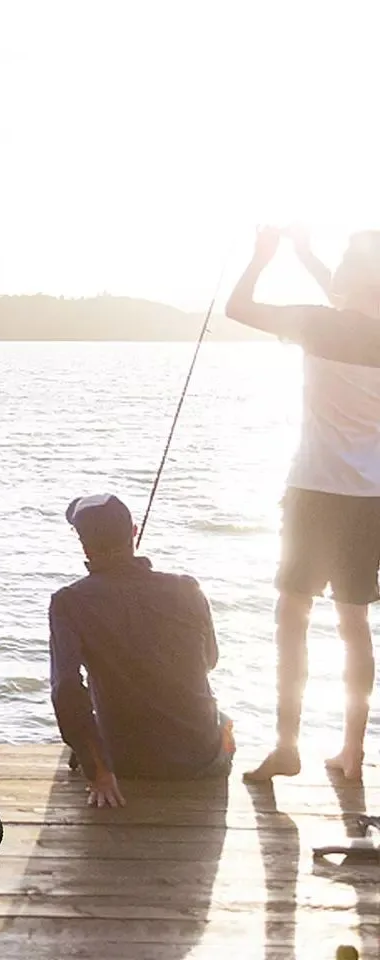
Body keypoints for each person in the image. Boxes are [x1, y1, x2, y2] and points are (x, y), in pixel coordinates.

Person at [226, 226, 380, 782]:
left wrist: (261, 256)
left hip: (315, 489)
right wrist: (312, 257)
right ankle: (353, 753)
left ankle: (288, 744)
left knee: (293, 615)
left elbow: (238, 307)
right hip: (371, 499)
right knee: (354, 623)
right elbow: (353, 304)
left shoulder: (319, 323)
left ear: (345, 279)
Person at [49, 494, 234, 808]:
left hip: (122, 764)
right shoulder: (188, 588)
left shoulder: (68, 602)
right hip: (201, 761)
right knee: (223, 718)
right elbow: (209, 661)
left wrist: (98, 770)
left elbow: (66, 689)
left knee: (83, 734)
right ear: (134, 532)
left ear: (84, 546)